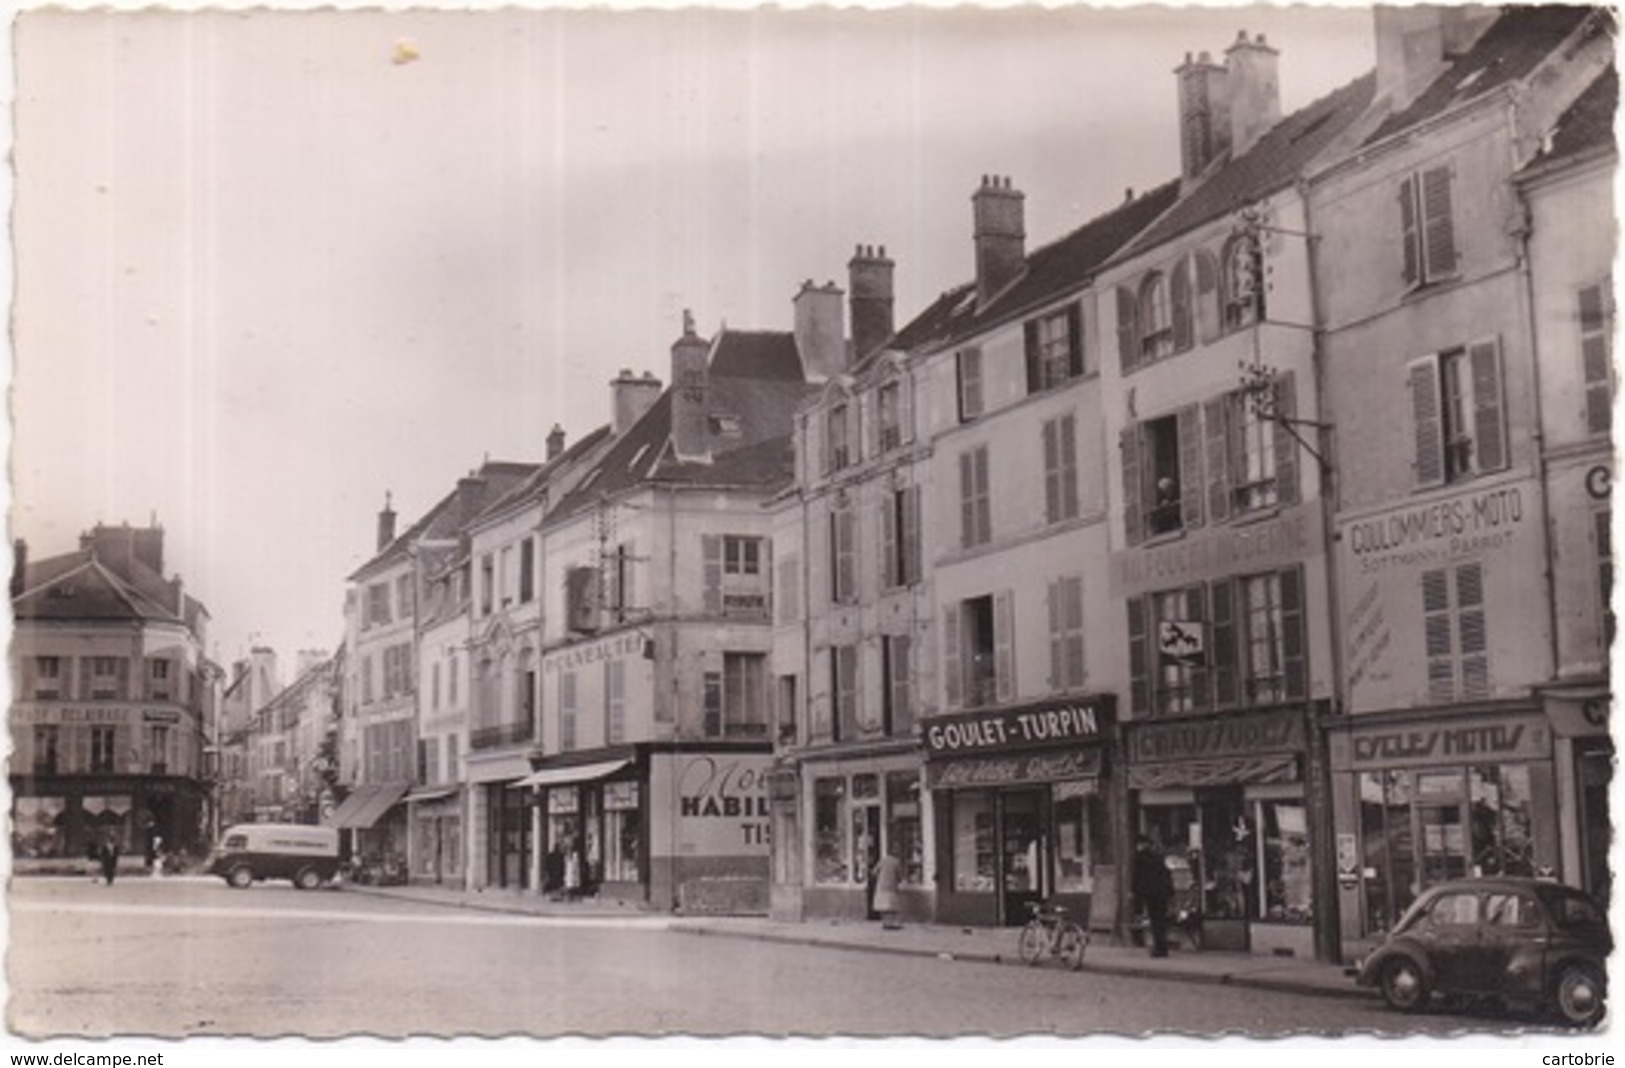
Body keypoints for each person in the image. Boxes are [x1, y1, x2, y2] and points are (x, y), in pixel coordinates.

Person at [1131, 835, 1174, 958]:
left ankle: (1159, 948)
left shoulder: (1139, 858)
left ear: (1141, 845)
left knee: (1155, 921)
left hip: (1150, 893)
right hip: (1162, 892)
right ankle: (1163, 947)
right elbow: (1166, 874)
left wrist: (1134, 892)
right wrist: (1170, 891)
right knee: (1161, 920)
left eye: (1138, 845)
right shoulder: (1158, 857)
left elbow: (1137, 876)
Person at [871, 850, 903, 930]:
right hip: (892, 887)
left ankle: (885, 923)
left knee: (884, 907)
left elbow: (874, 872)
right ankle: (892, 923)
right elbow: (899, 875)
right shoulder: (896, 862)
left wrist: (879, 878)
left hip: (882, 886)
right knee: (892, 907)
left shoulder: (882, 861)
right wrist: (898, 880)